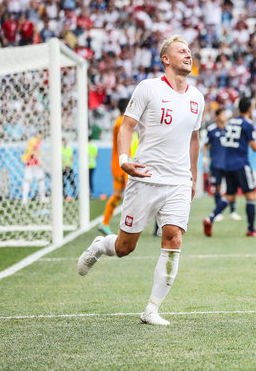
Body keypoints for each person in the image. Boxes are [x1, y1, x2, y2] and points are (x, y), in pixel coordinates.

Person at [78, 35, 204, 326]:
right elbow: (127, 126)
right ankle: (99, 246)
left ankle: (152, 309)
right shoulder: (148, 88)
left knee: (173, 236)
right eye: (181, 51)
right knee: (125, 248)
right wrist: (124, 161)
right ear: (166, 59)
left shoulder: (198, 97)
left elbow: (195, 139)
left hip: (178, 181)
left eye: (189, 51)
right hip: (145, 177)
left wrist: (193, 177)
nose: (188, 54)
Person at [203, 97, 256, 238]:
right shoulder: (248, 124)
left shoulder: (231, 121)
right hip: (241, 164)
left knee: (229, 196)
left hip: (228, 164)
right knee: (250, 196)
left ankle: (210, 218)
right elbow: (255, 148)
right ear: (250, 108)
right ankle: (251, 230)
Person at [98, 98, 134, 236]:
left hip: (118, 164)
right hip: (122, 165)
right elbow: (122, 142)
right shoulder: (122, 122)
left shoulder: (121, 121)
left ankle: (105, 222)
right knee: (132, 194)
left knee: (118, 195)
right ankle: (128, 226)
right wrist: (126, 159)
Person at [203, 108, 242, 222]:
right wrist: (205, 158)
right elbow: (206, 145)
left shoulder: (230, 129)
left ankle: (233, 211)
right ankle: (218, 211)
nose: (225, 116)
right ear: (217, 116)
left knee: (232, 188)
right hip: (216, 163)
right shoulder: (211, 130)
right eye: (223, 114)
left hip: (230, 163)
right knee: (217, 187)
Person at [21, 133, 47, 204]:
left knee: (27, 180)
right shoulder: (36, 141)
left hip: (29, 162)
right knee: (40, 180)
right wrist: (39, 162)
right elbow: (34, 152)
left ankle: (24, 199)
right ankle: (42, 197)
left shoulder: (31, 141)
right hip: (34, 163)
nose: (41, 136)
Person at [61, 137, 78, 201]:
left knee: (72, 181)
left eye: (65, 141)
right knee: (63, 183)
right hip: (62, 168)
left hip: (69, 167)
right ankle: (64, 195)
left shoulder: (70, 149)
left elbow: (72, 157)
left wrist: (69, 163)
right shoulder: (60, 149)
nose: (64, 142)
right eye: (63, 141)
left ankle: (75, 194)